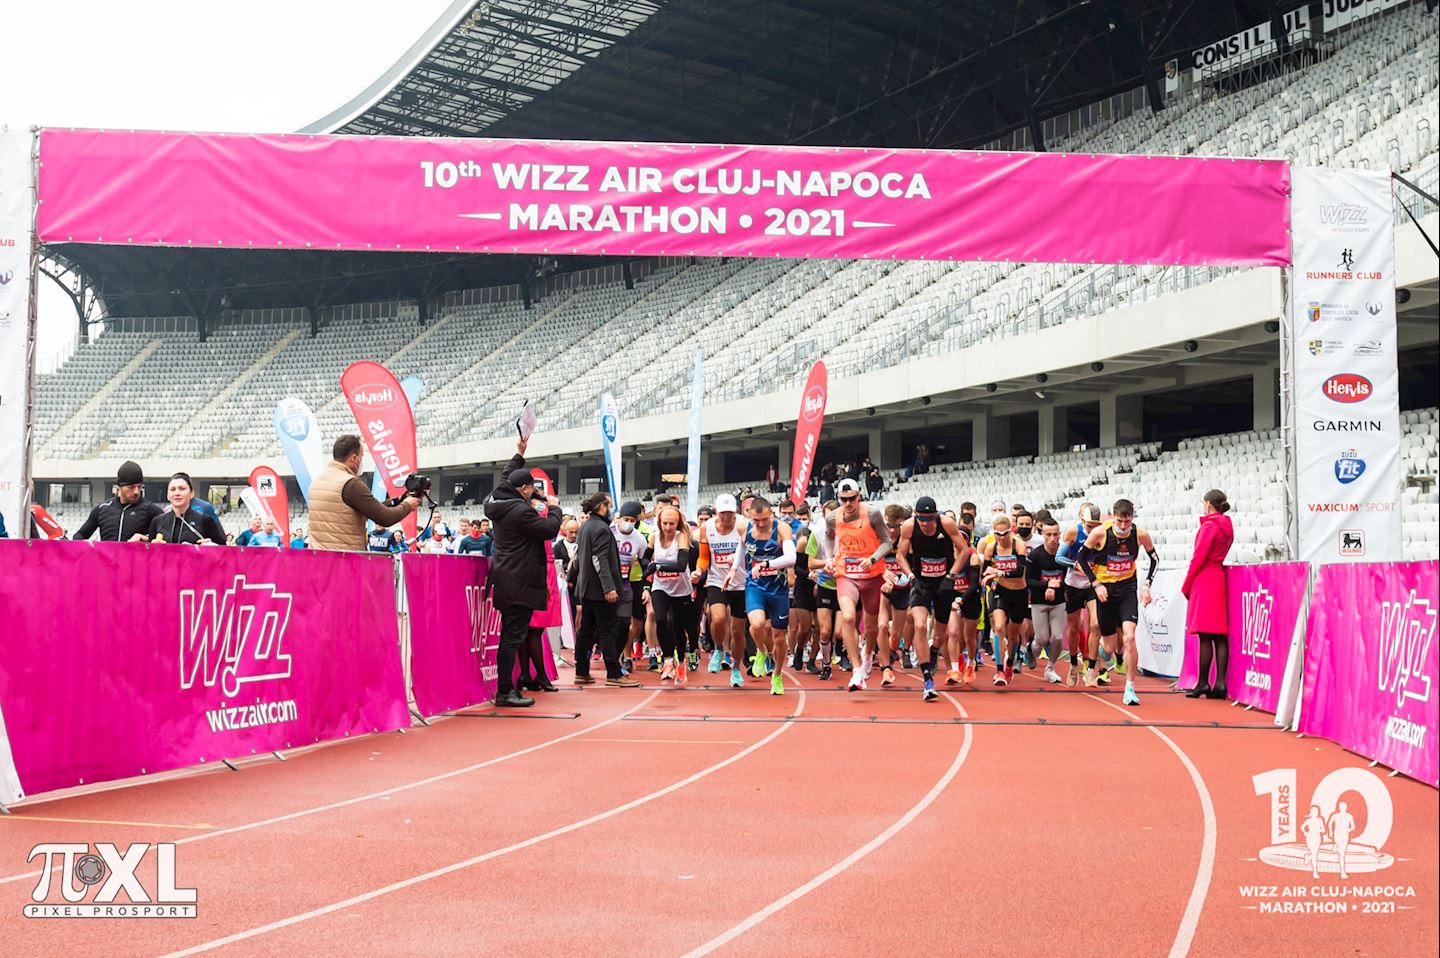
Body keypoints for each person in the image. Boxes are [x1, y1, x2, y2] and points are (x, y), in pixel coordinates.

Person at [484, 438, 566, 706]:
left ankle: (507, 688)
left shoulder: (499, 499)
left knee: (511, 634)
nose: (534, 491)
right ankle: (505, 690)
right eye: (531, 487)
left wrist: (519, 454)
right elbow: (550, 530)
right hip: (519, 578)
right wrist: (554, 507)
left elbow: (506, 476)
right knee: (512, 636)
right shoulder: (519, 510)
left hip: (506, 575)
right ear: (524, 488)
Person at [1076, 499, 1159, 707]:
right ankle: (1095, 659)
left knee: (1130, 637)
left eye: (1127, 521)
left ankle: (1130, 688)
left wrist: (1147, 584)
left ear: (1132, 518)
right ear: (1113, 516)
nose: (1123, 526)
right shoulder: (1100, 533)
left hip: (1127, 590)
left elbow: (1155, 559)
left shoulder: (1139, 534)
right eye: (1120, 521)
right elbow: (1081, 558)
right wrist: (1095, 583)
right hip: (1105, 592)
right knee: (1111, 645)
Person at [894, 496, 971, 701]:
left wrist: (951, 576)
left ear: (936, 516)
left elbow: (964, 551)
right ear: (916, 516)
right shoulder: (909, 527)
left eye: (929, 519)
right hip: (921, 582)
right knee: (919, 626)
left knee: (939, 635)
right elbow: (900, 555)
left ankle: (934, 650)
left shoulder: (946, 523)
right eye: (922, 519)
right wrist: (910, 576)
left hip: (943, 583)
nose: (926, 524)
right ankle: (927, 679)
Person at [825, 478, 893, 692]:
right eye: (843, 500)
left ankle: (868, 654)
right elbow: (828, 536)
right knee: (847, 617)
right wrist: (829, 558)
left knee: (871, 627)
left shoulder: (872, 514)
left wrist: (873, 558)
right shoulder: (832, 517)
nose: (847, 504)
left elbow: (887, 542)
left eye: (851, 499)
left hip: (872, 575)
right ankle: (856, 670)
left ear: (859, 496)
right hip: (847, 573)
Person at [308, 435, 422, 551]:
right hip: (345, 558)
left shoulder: (317, 481)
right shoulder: (351, 484)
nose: (361, 461)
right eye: (361, 457)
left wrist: (397, 501)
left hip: (319, 557)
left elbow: (362, 510)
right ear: (353, 458)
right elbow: (385, 517)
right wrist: (407, 505)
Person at [574, 492, 639, 688]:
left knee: (585, 631)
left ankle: (582, 672)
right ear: (602, 506)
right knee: (608, 631)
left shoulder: (585, 527)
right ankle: (613, 672)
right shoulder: (601, 529)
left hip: (586, 588)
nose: (611, 510)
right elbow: (599, 560)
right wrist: (609, 588)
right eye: (609, 505)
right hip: (600, 591)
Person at [1183, 489, 1235, 700]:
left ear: (1207, 504)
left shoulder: (1208, 527)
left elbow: (1198, 558)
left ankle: (1203, 682)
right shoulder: (1227, 528)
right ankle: (1220, 683)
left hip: (1205, 578)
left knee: (1205, 635)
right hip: (1218, 576)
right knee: (1220, 635)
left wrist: (1187, 584)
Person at [741, 497, 796, 695]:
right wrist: (733, 569)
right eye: (757, 520)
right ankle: (762, 651)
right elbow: (742, 547)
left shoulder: (781, 529)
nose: (761, 524)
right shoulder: (745, 528)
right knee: (756, 624)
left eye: (765, 519)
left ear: (771, 514)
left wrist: (767, 565)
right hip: (755, 585)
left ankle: (777, 675)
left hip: (778, 589)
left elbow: (791, 557)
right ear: (750, 516)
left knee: (779, 636)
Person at [698, 494, 749, 688]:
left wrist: (736, 560)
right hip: (717, 580)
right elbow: (703, 558)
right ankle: (718, 648)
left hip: (741, 583)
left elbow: (752, 551)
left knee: (737, 633)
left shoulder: (744, 525)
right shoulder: (707, 528)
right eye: (722, 514)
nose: (726, 518)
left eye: (730, 513)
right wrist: (699, 570)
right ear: (716, 513)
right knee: (717, 618)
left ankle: (736, 668)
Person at [647, 504, 696, 685]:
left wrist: (657, 566)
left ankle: (681, 661)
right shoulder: (655, 537)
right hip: (661, 586)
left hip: (681, 588)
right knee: (660, 619)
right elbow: (645, 557)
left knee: (678, 625)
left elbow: (681, 565)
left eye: (672, 524)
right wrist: (647, 570)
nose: (668, 528)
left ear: (678, 524)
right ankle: (667, 659)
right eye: (665, 524)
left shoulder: (681, 537)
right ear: (659, 523)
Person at [978, 513, 1028, 686]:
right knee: (999, 627)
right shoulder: (990, 548)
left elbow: (1020, 570)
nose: (1001, 538)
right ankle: (999, 671)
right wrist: (988, 578)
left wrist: (998, 572)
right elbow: (985, 570)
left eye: (1004, 533)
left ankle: (1009, 663)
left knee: (1013, 635)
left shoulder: (1018, 545)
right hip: (1000, 591)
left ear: (1011, 531)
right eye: (997, 534)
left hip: (1019, 593)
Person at [72, 461, 165, 542]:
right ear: (120, 487)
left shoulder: (151, 510)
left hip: (136, 562)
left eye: (139, 487)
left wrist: (144, 538)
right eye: (131, 487)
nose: (136, 491)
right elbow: (79, 535)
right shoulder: (102, 509)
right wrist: (88, 543)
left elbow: (167, 539)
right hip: (108, 562)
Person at [1026, 519, 1068, 684]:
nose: (1052, 538)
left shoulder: (1064, 554)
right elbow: (1027, 580)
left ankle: (1050, 668)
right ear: (1042, 535)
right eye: (1048, 534)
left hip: (1058, 602)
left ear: (1060, 534)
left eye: (1055, 534)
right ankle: (1030, 649)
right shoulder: (1035, 555)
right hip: (1039, 602)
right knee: (1042, 639)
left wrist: (1059, 585)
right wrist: (1046, 585)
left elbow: (1071, 579)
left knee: (1057, 637)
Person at [148, 473, 227, 545]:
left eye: (182, 489)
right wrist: (153, 547)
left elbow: (223, 550)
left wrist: (213, 547)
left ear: (192, 493)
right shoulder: (157, 521)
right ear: (168, 495)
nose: (177, 493)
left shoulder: (205, 521)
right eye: (172, 489)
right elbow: (148, 556)